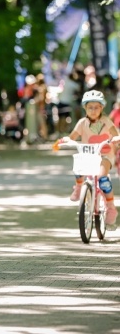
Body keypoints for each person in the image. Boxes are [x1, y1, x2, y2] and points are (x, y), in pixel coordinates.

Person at [58, 90, 119, 229]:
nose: (93, 110)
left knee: (102, 179)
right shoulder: (82, 123)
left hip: (105, 154)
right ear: (85, 108)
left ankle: (110, 208)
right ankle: (79, 187)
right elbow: (72, 136)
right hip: (89, 153)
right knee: (78, 167)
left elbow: (115, 133)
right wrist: (65, 140)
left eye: (96, 107)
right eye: (90, 107)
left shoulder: (105, 121)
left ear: (102, 107)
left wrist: (116, 138)